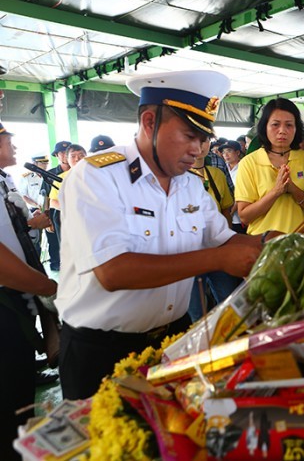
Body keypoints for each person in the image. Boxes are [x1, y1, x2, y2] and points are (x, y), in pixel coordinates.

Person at [55, 71, 263, 400]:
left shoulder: (191, 185)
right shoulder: (96, 177)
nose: (198, 149)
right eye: (189, 135)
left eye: (203, 138)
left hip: (171, 342)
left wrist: (269, 245)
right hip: (101, 350)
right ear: (150, 121)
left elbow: (223, 240)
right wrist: (218, 259)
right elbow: (113, 271)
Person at [1, 123, 57, 460]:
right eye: (7, 138)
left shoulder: (5, 179)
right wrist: (50, 288)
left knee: (20, 389)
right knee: (9, 397)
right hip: (6, 300)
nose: (13, 143)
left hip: (20, 295)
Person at [235, 98, 304, 235]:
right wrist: (276, 191)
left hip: (301, 244)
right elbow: (244, 216)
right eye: (275, 124)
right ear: (265, 127)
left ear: (296, 129)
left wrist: (294, 190)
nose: (282, 131)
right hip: (262, 245)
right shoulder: (249, 162)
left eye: (289, 125)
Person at [188, 139, 239, 321]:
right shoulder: (178, 177)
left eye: (205, 141)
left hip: (218, 248)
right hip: (190, 252)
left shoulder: (216, 173)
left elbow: (226, 207)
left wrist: (228, 239)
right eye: (194, 139)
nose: (200, 146)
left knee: (229, 302)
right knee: (196, 312)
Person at [48, 144, 87, 242]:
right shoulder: (60, 178)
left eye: (81, 155)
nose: (77, 159)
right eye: (73, 156)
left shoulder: (96, 175)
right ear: (67, 159)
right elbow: (53, 202)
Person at [43, 141, 70, 271]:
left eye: (68, 152)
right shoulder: (50, 173)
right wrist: (48, 220)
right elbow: (46, 199)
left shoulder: (81, 171)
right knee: (60, 245)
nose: (65, 155)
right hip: (58, 214)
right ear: (56, 155)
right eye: (62, 153)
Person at [220, 141, 246, 233]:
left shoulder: (244, 167)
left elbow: (243, 192)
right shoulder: (222, 168)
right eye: (223, 152)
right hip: (227, 217)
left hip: (241, 218)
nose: (225, 154)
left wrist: (232, 211)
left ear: (238, 152)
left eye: (229, 151)